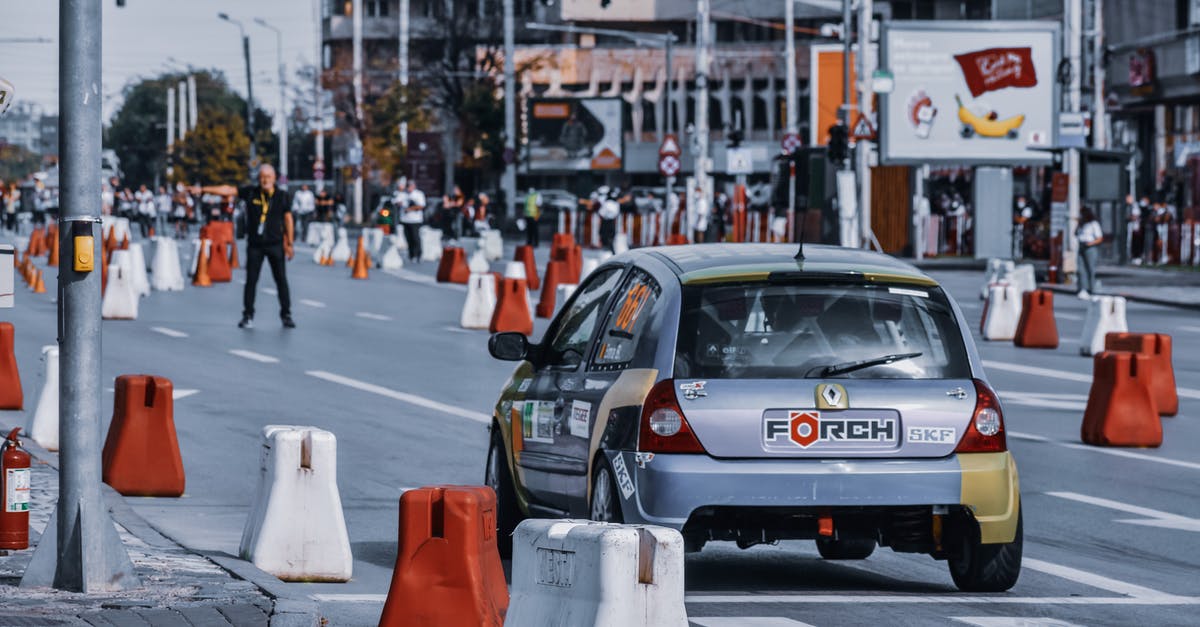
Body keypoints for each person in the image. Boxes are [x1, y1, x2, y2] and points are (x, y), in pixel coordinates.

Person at [239, 164, 295, 329]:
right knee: (251, 280)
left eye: (268, 177)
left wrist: (289, 243)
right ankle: (248, 315)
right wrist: (204, 189)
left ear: (274, 178)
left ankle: (286, 314)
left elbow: (288, 220)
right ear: (259, 178)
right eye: (262, 177)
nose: (265, 180)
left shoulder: (282, 196)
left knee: (281, 280)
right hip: (255, 245)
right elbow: (229, 190)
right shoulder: (251, 193)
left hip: (275, 244)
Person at [1075, 206, 1103, 299]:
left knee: (1091, 269)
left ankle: (1093, 290)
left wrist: (1091, 243)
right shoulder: (1082, 224)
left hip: (1090, 247)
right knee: (1081, 269)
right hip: (1081, 246)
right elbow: (1075, 233)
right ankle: (1083, 289)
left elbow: (1099, 238)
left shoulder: (1093, 224)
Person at [399, 180, 426, 262]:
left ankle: (418, 254)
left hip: (415, 220)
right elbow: (396, 201)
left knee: (415, 237)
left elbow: (421, 206)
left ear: (414, 186)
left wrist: (410, 209)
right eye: (408, 186)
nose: (409, 188)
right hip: (405, 219)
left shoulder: (418, 194)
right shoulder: (403, 194)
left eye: (410, 186)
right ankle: (411, 255)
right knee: (408, 238)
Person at [598, 187, 620, 252]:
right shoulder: (616, 203)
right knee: (611, 236)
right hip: (611, 221)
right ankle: (611, 248)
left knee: (605, 235)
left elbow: (601, 213)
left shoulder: (606, 203)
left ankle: (607, 248)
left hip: (606, 221)